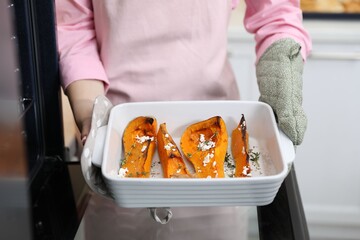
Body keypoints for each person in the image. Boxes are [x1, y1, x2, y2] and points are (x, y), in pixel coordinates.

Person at [56, 0, 312, 239]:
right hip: (115, 141)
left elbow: (275, 13)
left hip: (220, 163)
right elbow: (72, 27)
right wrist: (90, 109)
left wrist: (282, 77)